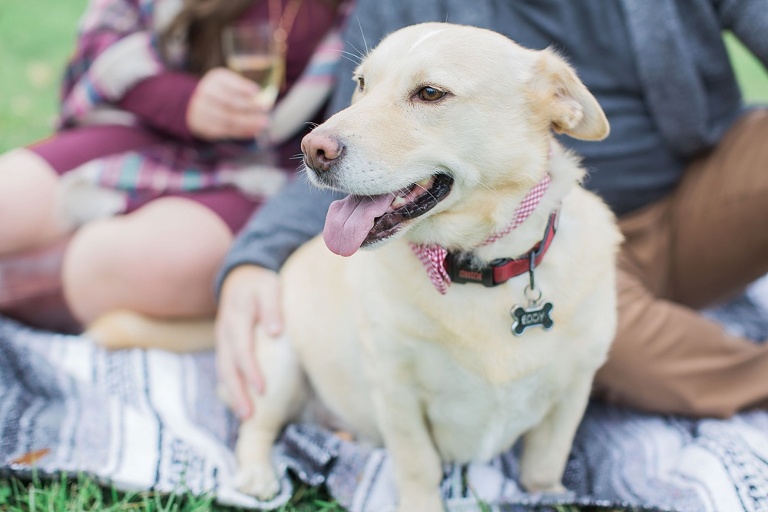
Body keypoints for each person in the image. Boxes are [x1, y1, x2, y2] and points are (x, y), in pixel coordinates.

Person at [214, 0, 768, 420]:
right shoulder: (407, 10)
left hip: (700, 193)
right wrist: (256, 258)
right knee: (592, 343)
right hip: (536, 241)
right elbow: (353, 143)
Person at [0, 0, 350, 334]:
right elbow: (102, 42)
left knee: (148, 262)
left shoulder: (363, 8)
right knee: (9, 200)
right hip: (147, 128)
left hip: (267, 169)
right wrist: (186, 101)